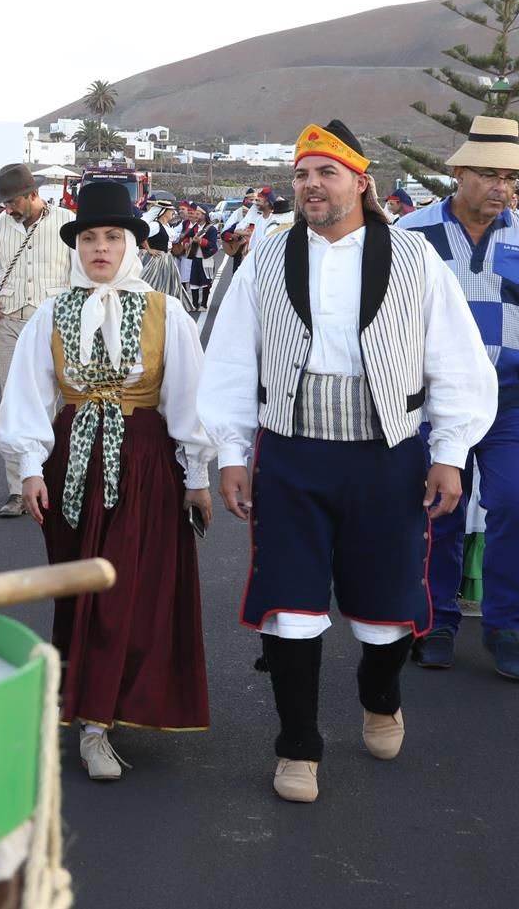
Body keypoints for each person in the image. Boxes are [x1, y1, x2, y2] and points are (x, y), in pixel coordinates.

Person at [201, 120, 496, 805]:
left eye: (326, 173)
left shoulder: (415, 258)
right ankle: (297, 744)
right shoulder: (265, 258)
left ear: (360, 183)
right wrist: (232, 452)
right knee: (289, 605)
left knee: (387, 608)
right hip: (291, 451)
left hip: (386, 455)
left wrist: (450, 453)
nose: (310, 184)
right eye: (301, 173)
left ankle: (379, 691)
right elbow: (232, 358)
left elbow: (454, 356)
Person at [0, 181, 214, 779]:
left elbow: (188, 400)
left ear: (132, 245)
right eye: (90, 237)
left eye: (112, 237)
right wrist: (29, 469)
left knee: (126, 589)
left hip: (144, 463)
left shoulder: (166, 313)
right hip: (73, 463)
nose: (100, 248)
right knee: (80, 588)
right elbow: (28, 396)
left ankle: (98, 722)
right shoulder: (51, 313)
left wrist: (196, 475)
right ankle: (84, 701)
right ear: (76, 247)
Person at [397, 117, 519, 680]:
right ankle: (436, 623)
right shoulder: (411, 234)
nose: (502, 187)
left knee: (514, 504)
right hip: (433, 403)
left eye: (511, 178)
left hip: (510, 399)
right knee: (438, 511)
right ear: (458, 173)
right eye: (488, 174)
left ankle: (504, 625)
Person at [0, 163, 76, 517]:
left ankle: (59, 480)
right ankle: (19, 489)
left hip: (55, 324)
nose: (8, 208)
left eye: (13, 201)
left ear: (33, 194)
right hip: (10, 323)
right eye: (5, 202)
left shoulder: (67, 222)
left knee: (62, 404)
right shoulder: (0, 226)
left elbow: (79, 273)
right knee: (14, 403)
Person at [173, 203, 219, 312]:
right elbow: (187, 237)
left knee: (205, 282)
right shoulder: (195, 228)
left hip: (205, 259)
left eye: (198, 214)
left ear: (204, 215)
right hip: (194, 257)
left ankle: (204, 304)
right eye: (196, 214)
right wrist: (186, 243)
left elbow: (213, 245)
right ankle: (194, 303)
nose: (196, 216)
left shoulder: (211, 229)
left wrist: (202, 241)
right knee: (193, 281)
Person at [139, 224, 184, 299]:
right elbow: (142, 235)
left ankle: (164, 301)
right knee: (152, 281)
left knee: (168, 283)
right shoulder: (155, 225)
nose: (172, 217)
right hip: (156, 259)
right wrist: (149, 249)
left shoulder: (167, 226)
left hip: (167, 258)